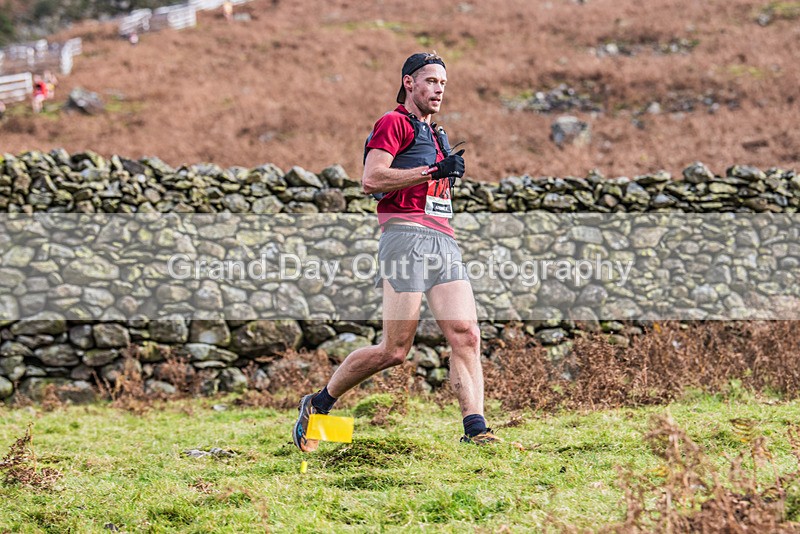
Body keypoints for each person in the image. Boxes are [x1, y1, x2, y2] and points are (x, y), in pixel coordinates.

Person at [293, 52, 501, 451]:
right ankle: (317, 404)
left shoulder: (437, 134)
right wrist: (431, 172)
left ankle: (477, 430)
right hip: (404, 236)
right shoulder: (393, 123)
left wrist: (444, 174)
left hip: (443, 239)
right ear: (409, 83)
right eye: (431, 81)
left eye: (443, 83)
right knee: (394, 350)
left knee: (467, 335)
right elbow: (371, 179)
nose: (439, 89)